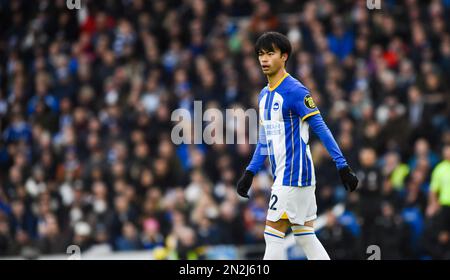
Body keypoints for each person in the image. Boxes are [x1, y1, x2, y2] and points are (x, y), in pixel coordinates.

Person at [236, 32, 359, 260]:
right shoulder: (264, 95)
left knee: (273, 235)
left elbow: (321, 128)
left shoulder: (295, 90)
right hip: (288, 176)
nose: (264, 59)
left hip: (293, 174)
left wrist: (342, 165)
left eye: (270, 53)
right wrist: (249, 172)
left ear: (284, 57)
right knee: (304, 235)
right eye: (261, 54)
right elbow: (265, 140)